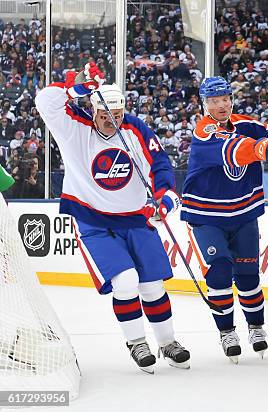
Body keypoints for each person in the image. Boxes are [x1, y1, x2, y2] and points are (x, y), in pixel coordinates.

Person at [35, 62, 190, 374]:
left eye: (117, 115)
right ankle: (137, 342)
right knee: (126, 281)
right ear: (93, 109)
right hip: (93, 221)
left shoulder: (134, 130)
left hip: (135, 219)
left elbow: (157, 163)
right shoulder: (73, 126)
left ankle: (167, 341)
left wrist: (165, 196)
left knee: (152, 286)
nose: (112, 121)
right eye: (106, 116)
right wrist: (78, 84)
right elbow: (45, 101)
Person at [181, 76, 268, 363]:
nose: (221, 105)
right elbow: (237, 150)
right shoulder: (204, 130)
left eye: (225, 99)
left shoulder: (246, 123)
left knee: (248, 276)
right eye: (214, 100)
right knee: (220, 270)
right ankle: (227, 332)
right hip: (206, 214)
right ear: (204, 103)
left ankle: (256, 328)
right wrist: (265, 149)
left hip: (243, 212)